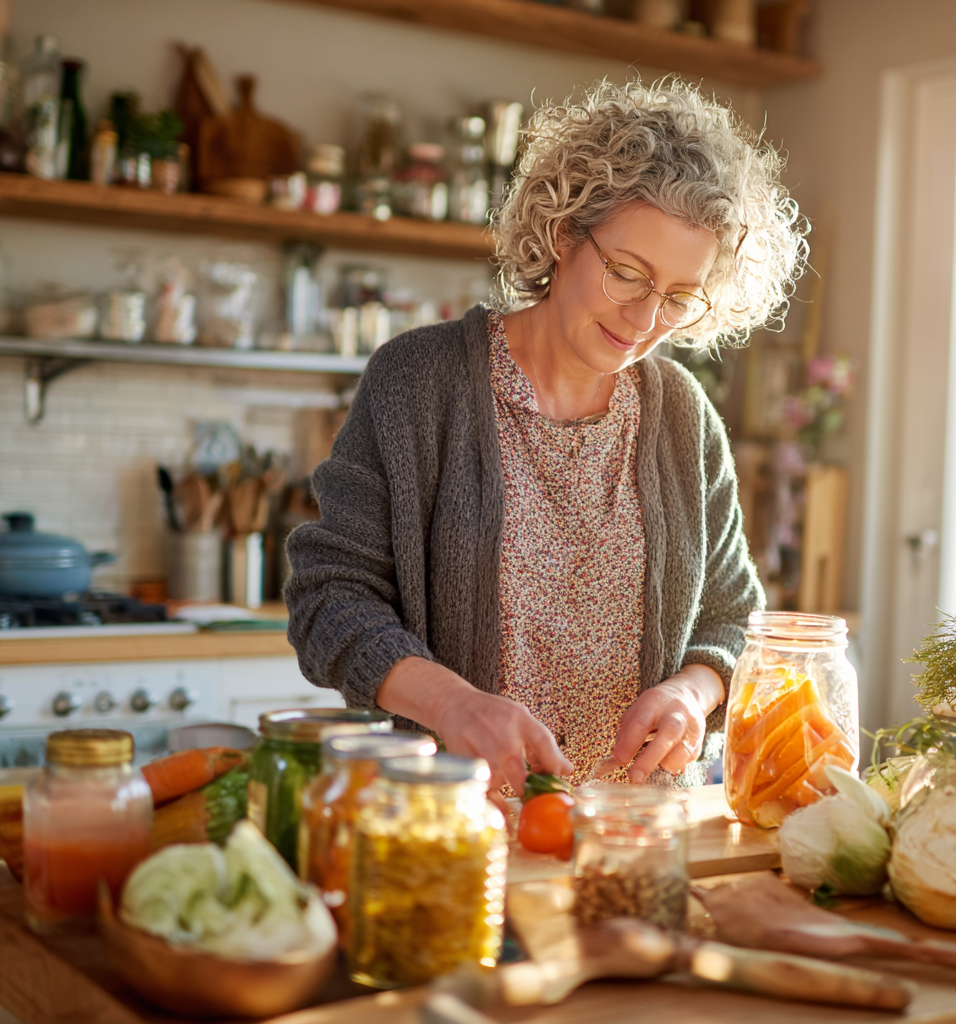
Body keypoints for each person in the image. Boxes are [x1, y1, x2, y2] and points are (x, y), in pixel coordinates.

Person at [285, 79, 805, 795]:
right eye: (628, 274)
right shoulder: (421, 381)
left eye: (680, 298)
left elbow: (733, 617)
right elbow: (329, 598)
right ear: (564, 233)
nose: (647, 319)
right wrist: (454, 705)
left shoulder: (684, 417)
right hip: (452, 829)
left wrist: (693, 693)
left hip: (633, 836)